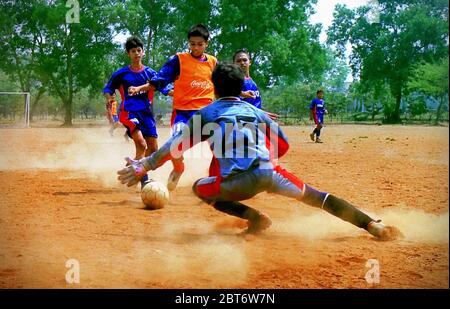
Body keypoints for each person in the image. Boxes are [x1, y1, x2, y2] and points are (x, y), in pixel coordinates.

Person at [117, 63, 402, 240]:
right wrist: (264, 160)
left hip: (236, 184)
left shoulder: (207, 114)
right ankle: (372, 226)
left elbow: (173, 147)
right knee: (319, 198)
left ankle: (255, 218)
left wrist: (145, 166)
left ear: (214, 88)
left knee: (199, 188)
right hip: (270, 173)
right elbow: (284, 145)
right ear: (242, 89)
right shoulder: (256, 112)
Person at [129, 24, 217, 191]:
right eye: (192, 44)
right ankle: (178, 168)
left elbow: (224, 85)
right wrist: (140, 88)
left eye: (200, 44)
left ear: (207, 43)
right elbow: (160, 79)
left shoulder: (213, 62)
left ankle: (217, 181)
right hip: (183, 114)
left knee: (220, 147)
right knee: (175, 145)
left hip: (207, 115)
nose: (196, 47)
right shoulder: (179, 60)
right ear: (188, 43)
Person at [103, 36, 159, 188]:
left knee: (154, 150)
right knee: (141, 144)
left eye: (139, 50)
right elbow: (108, 89)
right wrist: (109, 98)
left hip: (146, 114)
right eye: (133, 51)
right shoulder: (121, 74)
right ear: (128, 53)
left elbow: (164, 86)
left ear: (143, 52)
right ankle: (144, 179)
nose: (136, 53)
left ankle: (134, 166)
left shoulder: (150, 73)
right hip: (128, 112)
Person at [233, 49, 278, 120]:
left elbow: (254, 103)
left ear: (249, 62)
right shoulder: (235, 82)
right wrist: (260, 113)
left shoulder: (251, 81)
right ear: (234, 64)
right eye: (238, 61)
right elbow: (237, 107)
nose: (242, 63)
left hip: (257, 119)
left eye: (245, 60)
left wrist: (262, 112)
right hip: (244, 122)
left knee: (274, 130)